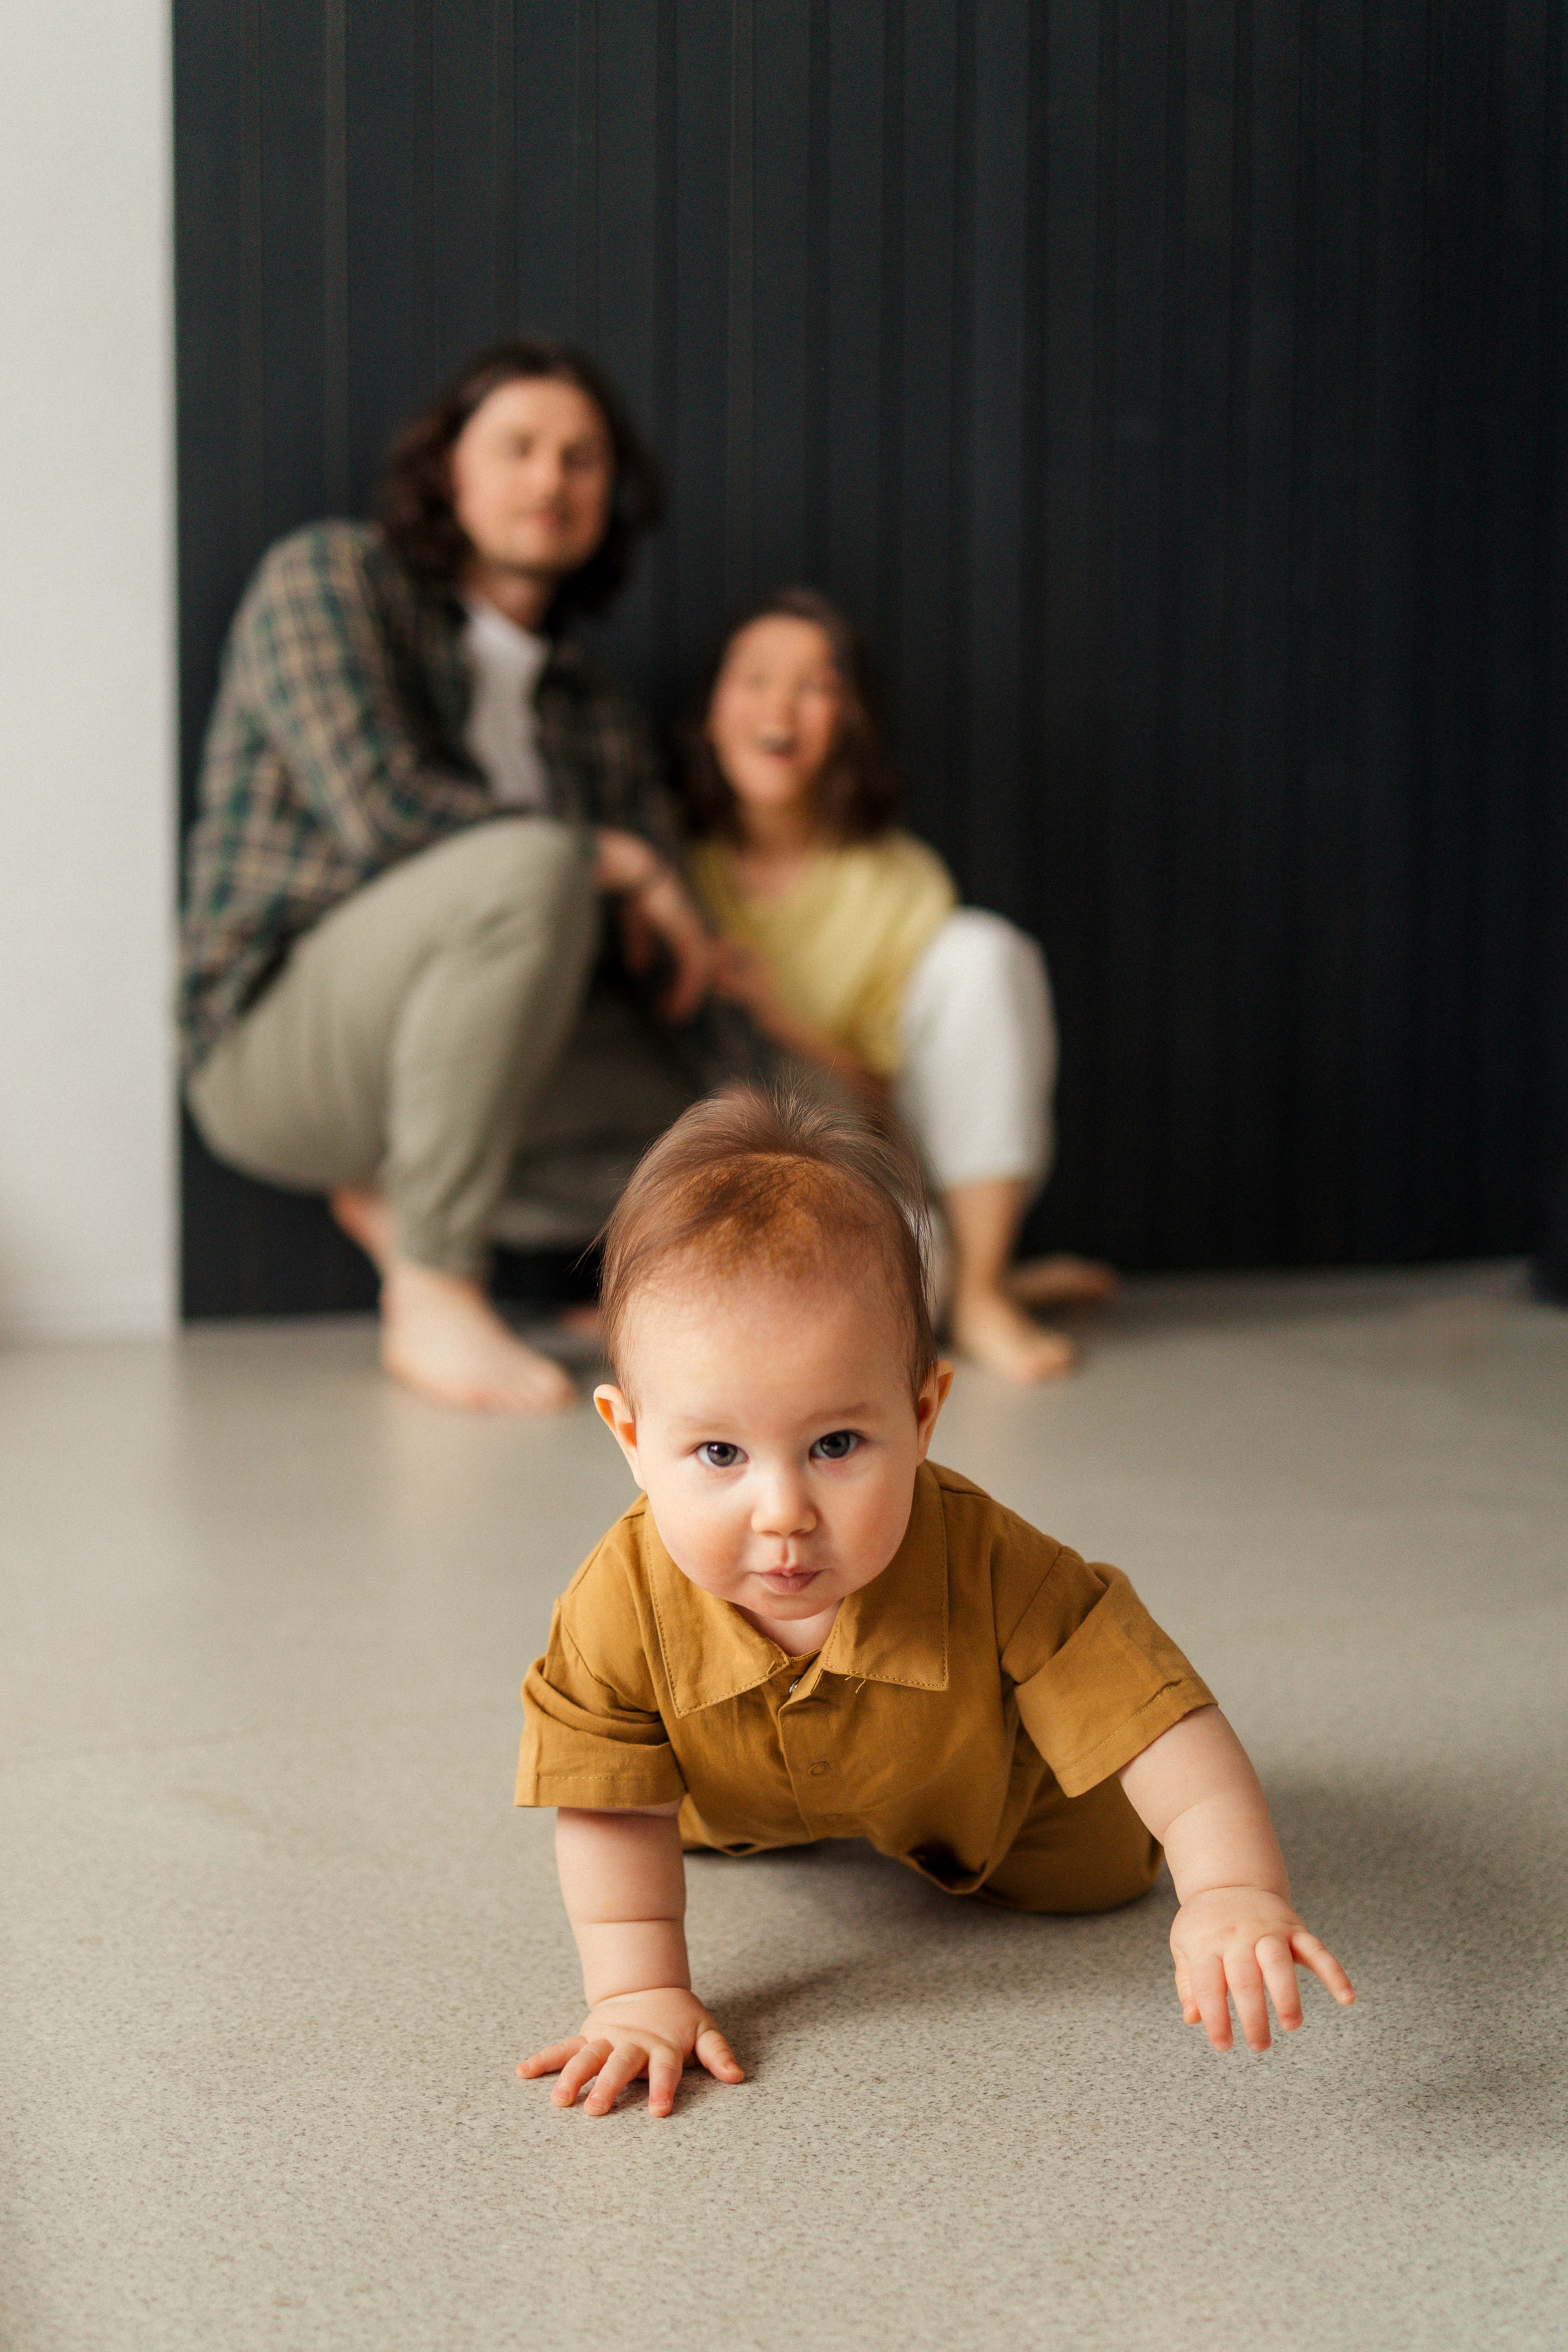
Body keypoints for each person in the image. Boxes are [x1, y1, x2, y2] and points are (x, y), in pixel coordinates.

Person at [515, 1088, 1355, 2118]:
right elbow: (603, 1804)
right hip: (730, 1789)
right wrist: (640, 1993)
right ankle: (760, 1813)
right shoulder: (617, 1605)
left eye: (835, 1446)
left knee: (1098, 1869)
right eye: (720, 1453)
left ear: (922, 1416)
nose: (784, 1513)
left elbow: (1159, 1721)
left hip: (991, 1803)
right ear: (630, 1436)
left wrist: (1230, 1888)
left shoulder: (992, 1561)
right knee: (650, 1809)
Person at [179, 340, 727, 1415]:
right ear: (448, 473)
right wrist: (613, 860)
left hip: (479, 1061)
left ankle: (423, 1201)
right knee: (532, 866)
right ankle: (430, 1283)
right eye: (518, 447)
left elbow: (662, 953)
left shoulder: (595, 712)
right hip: (274, 1039)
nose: (551, 479)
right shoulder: (327, 578)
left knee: (720, 1134)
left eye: (582, 458)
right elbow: (383, 811)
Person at [677, 588, 1114, 1385]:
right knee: (841, 1292)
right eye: (756, 678)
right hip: (734, 1176)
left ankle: (981, 1289)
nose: (782, 705)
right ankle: (977, 1284)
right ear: (709, 710)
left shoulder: (896, 879)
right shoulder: (672, 866)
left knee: (984, 951)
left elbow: (886, 1103)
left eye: (816, 686)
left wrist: (776, 1015)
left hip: (863, 1154)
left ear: (848, 722)